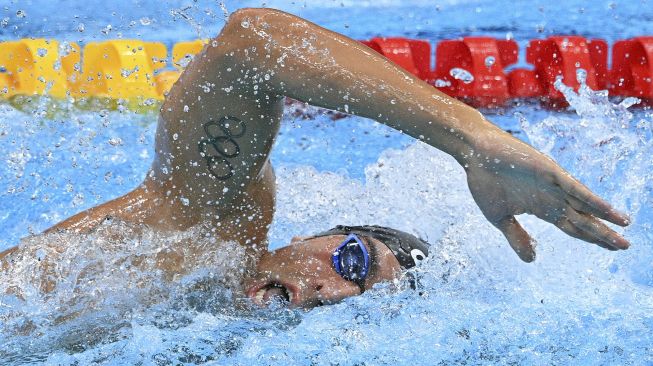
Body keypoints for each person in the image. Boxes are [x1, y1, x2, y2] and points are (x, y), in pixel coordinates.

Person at [0, 8, 630, 308]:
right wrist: (471, 138)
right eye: (352, 259)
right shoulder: (208, 223)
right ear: (312, 233)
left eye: (352, 295)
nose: (330, 290)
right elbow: (252, 44)